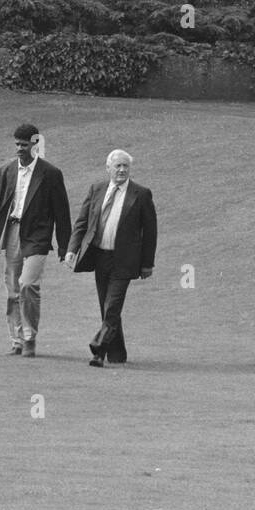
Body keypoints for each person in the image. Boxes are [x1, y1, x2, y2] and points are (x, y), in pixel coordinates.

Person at [0, 124, 71, 358]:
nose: (19, 149)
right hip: (12, 233)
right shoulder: (6, 171)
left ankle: (29, 338)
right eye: (17, 144)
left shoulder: (51, 174)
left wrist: (66, 249)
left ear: (35, 145)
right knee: (13, 290)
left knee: (28, 285)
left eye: (24, 145)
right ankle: (16, 341)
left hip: (37, 236)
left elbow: (62, 214)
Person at [65, 149, 157, 367]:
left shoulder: (141, 194)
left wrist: (147, 264)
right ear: (108, 169)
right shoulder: (96, 189)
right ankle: (118, 354)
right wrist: (72, 249)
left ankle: (98, 351)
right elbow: (82, 222)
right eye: (118, 166)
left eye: (126, 166)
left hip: (124, 260)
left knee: (112, 306)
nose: (122, 170)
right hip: (100, 257)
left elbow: (150, 231)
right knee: (106, 307)